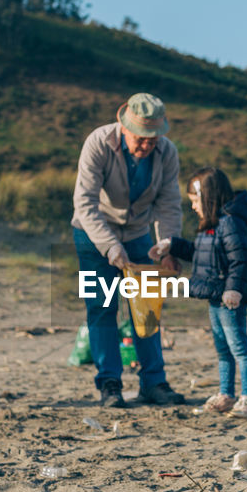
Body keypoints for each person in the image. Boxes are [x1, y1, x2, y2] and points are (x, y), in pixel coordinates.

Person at [72, 93, 186, 408]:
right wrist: (110, 246)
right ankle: (110, 384)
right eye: (141, 138)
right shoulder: (98, 142)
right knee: (102, 307)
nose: (147, 145)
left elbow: (169, 204)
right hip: (92, 234)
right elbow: (84, 202)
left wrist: (168, 246)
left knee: (147, 310)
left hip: (139, 235)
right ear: (124, 127)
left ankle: (154, 382)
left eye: (154, 139)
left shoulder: (167, 152)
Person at [150, 168, 247, 418]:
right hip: (214, 297)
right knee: (222, 348)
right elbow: (200, 255)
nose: (192, 207)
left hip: (229, 299)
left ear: (209, 197)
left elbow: (240, 260)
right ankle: (226, 394)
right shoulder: (210, 226)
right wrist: (173, 246)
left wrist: (234, 289)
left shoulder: (231, 223)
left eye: (195, 201)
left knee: (238, 348)